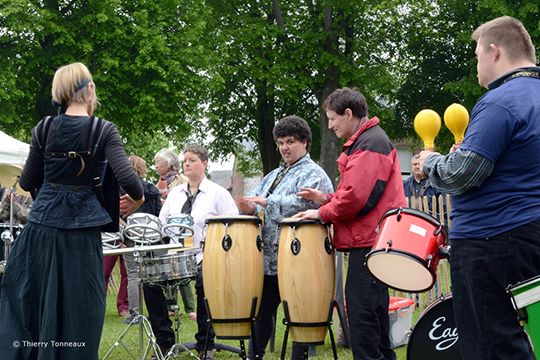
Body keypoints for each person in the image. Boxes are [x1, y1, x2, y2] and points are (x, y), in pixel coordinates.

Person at [0, 62, 144, 359]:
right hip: (81, 236)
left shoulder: (44, 127)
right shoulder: (103, 129)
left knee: (31, 306)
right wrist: (138, 200)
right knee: (80, 313)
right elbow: (130, 180)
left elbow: (27, 182)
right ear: (90, 89)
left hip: (40, 232)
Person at [417, 16, 540, 360]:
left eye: (476, 55)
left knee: (490, 345)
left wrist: (429, 161)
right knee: (527, 337)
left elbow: (462, 174)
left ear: (494, 51)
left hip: (492, 241)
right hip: (530, 236)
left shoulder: (500, 101)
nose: (476, 65)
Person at [294, 87, 405, 360]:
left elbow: (356, 198)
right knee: (375, 311)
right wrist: (326, 198)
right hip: (375, 239)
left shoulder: (369, 143)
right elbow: (356, 193)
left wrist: (321, 213)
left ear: (348, 113)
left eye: (332, 119)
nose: (330, 125)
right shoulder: (368, 140)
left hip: (368, 241)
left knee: (362, 312)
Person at [235, 115, 334, 360]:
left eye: (290, 141)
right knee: (263, 311)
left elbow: (300, 207)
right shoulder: (273, 175)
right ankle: (253, 356)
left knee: (298, 315)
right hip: (269, 259)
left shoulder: (315, 174)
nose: (284, 148)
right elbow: (255, 201)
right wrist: (245, 206)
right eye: (280, 143)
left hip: (301, 258)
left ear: (305, 142)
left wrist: (267, 203)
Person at [143, 145, 238, 360]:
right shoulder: (175, 193)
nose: (187, 163)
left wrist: (216, 245)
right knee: (150, 282)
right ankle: (164, 342)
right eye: (185, 160)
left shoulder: (218, 194)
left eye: (192, 160)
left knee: (205, 282)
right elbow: (162, 224)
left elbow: (232, 227)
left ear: (205, 164)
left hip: (208, 256)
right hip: (177, 255)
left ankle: (206, 344)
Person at [119, 155, 163, 324]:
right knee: (154, 275)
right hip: (152, 236)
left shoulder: (121, 189)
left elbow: (119, 214)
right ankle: (155, 312)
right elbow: (159, 214)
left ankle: (135, 314)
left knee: (133, 275)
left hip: (131, 236)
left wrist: (122, 236)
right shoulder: (152, 188)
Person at [154, 148, 195, 320]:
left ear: (169, 163)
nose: (156, 166)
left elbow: (191, 201)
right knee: (167, 267)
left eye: (158, 163)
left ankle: (190, 308)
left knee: (182, 267)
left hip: (182, 229)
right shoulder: (158, 183)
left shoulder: (183, 180)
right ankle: (171, 305)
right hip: (166, 229)